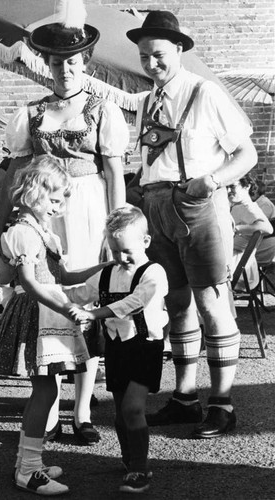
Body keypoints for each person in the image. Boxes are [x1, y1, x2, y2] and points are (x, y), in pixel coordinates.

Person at [0, 0, 129, 444]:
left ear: (85, 61)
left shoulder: (104, 109)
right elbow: (14, 180)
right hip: (44, 215)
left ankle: (83, 411)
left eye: (71, 61)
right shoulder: (31, 113)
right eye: (55, 62)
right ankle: (46, 412)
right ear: (45, 65)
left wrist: (114, 229)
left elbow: (113, 176)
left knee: (82, 305)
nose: (64, 69)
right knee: (45, 305)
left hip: (87, 212)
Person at [126, 11, 258, 438]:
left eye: (159, 55)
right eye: (145, 56)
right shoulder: (147, 101)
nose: (151, 64)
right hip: (156, 205)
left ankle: (222, 404)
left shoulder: (206, 93)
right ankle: (184, 398)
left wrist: (213, 180)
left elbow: (246, 153)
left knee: (213, 303)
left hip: (198, 204)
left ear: (179, 49)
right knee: (177, 304)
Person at [0, 156, 112, 495]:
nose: (60, 207)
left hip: (46, 312)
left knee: (46, 390)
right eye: (55, 200)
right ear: (35, 193)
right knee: (45, 391)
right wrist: (67, 307)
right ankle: (27, 471)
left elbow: (63, 276)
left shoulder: (42, 231)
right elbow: (31, 281)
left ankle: (30, 463)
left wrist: (103, 268)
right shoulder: (23, 232)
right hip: (36, 313)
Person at [67, 206, 168, 494]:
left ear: (146, 242)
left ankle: (139, 468)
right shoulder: (108, 273)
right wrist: (45, 294)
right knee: (121, 413)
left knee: (133, 408)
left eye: (126, 251)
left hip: (145, 347)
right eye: (114, 252)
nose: (120, 258)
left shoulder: (155, 273)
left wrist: (94, 314)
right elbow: (80, 294)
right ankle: (129, 459)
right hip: (117, 349)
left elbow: (133, 303)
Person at [228, 175, 273, 289]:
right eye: (227, 187)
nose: (228, 191)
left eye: (232, 187)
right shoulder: (235, 205)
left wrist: (236, 228)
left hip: (238, 269)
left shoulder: (249, 206)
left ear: (247, 187)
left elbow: (268, 228)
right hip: (234, 262)